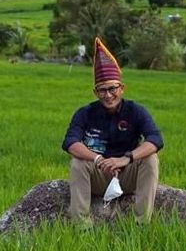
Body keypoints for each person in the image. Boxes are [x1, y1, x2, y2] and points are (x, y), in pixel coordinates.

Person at [62, 37, 163, 224]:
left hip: (127, 175)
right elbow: (70, 142)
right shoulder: (85, 113)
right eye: (102, 90)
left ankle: (141, 222)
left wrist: (126, 158)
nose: (108, 95)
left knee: (150, 158)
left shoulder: (135, 111)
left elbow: (155, 139)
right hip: (98, 176)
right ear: (95, 92)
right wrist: (98, 159)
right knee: (78, 162)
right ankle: (82, 225)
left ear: (122, 88)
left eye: (112, 89)